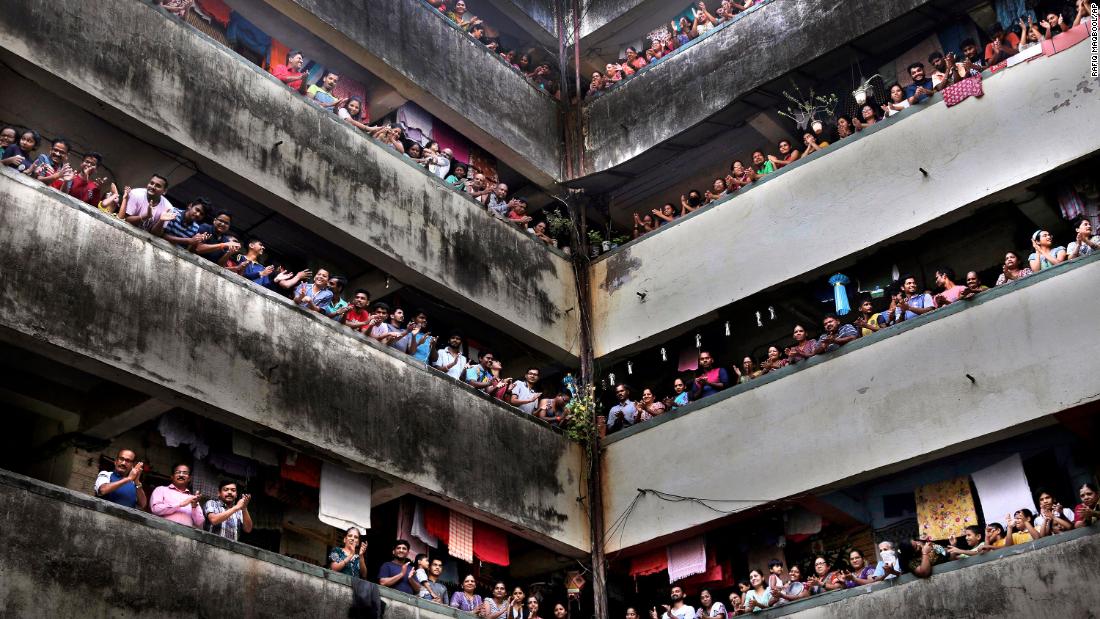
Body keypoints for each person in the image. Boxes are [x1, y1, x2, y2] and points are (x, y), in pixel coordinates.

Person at [150, 463, 205, 529]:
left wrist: (194, 506)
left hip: (186, 536)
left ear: (189, 478)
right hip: (163, 531)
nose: (181, 475)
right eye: (178, 472)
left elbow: (199, 523)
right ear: (172, 476)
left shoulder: (193, 498)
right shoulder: (161, 489)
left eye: (185, 473)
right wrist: (179, 504)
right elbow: (155, 509)